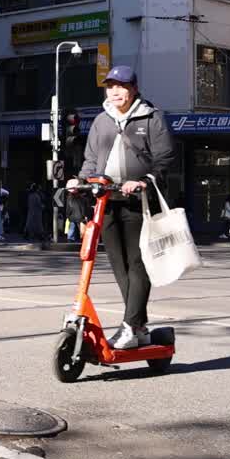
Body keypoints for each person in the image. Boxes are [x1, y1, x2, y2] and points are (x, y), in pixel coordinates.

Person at [79, 65, 175, 351]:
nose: (115, 91)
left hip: (139, 201)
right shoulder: (101, 121)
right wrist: (80, 180)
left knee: (137, 262)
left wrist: (145, 181)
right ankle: (139, 327)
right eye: (110, 86)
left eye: (120, 86)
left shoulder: (152, 117)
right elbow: (91, 158)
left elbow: (165, 158)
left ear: (133, 88)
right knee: (118, 264)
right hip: (106, 200)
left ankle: (131, 325)